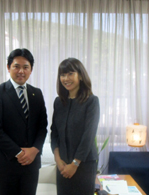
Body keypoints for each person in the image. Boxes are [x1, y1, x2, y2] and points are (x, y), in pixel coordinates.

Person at [0, 48, 48, 195]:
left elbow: (42, 126)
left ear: (31, 70)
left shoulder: (36, 93)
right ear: (8, 68)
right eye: (16, 66)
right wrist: (18, 153)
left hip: (31, 163)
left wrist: (34, 150)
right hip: (7, 162)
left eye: (25, 67)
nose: (21, 71)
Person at [51, 58, 100, 195]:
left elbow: (88, 135)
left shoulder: (91, 101)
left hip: (84, 164)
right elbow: (54, 133)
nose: (66, 78)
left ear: (80, 75)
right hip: (63, 165)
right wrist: (58, 160)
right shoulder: (59, 102)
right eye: (62, 75)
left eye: (70, 74)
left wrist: (75, 164)